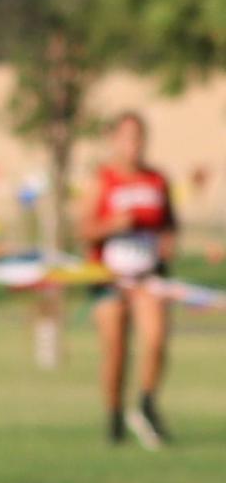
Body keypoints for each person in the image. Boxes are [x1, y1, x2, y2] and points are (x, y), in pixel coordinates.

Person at [84, 111, 177, 448]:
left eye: (139, 137)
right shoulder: (102, 179)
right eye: (127, 137)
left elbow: (169, 225)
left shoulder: (157, 180)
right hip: (109, 278)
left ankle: (146, 405)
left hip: (147, 276)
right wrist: (112, 225)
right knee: (116, 352)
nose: (133, 144)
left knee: (155, 339)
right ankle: (114, 417)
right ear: (114, 140)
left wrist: (168, 244)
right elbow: (84, 229)